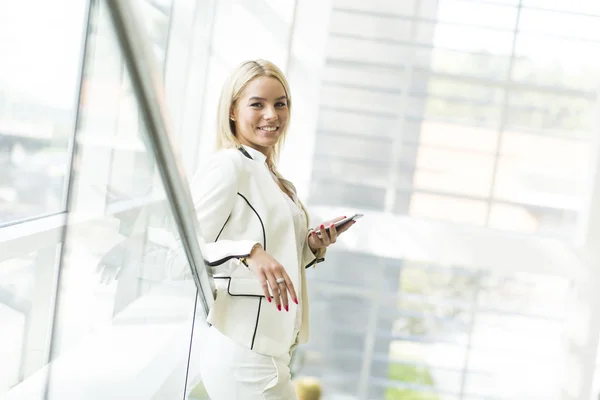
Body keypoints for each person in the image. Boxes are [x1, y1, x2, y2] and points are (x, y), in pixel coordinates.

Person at [192, 59, 357, 399]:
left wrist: (311, 245)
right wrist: (248, 251)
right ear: (233, 111)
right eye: (258, 104)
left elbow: (279, 254)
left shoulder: (276, 179)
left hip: (272, 349)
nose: (272, 115)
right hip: (243, 350)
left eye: (280, 104)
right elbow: (186, 244)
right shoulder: (228, 166)